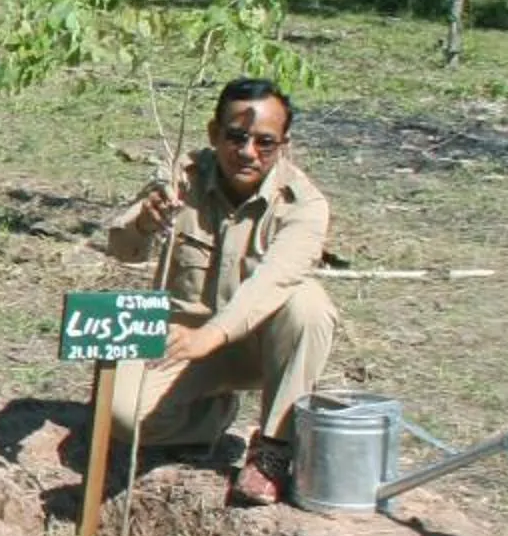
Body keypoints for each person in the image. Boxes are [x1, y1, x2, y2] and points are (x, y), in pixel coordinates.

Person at [99, 78, 337, 506]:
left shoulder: (304, 205)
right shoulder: (181, 178)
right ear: (214, 133)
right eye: (236, 137)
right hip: (182, 343)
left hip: (260, 347)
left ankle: (272, 449)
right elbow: (120, 248)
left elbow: (272, 282)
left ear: (284, 144)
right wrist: (143, 225)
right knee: (120, 415)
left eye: (265, 142)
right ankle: (212, 414)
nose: (247, 152)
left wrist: (212, 334)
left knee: (308, 305)